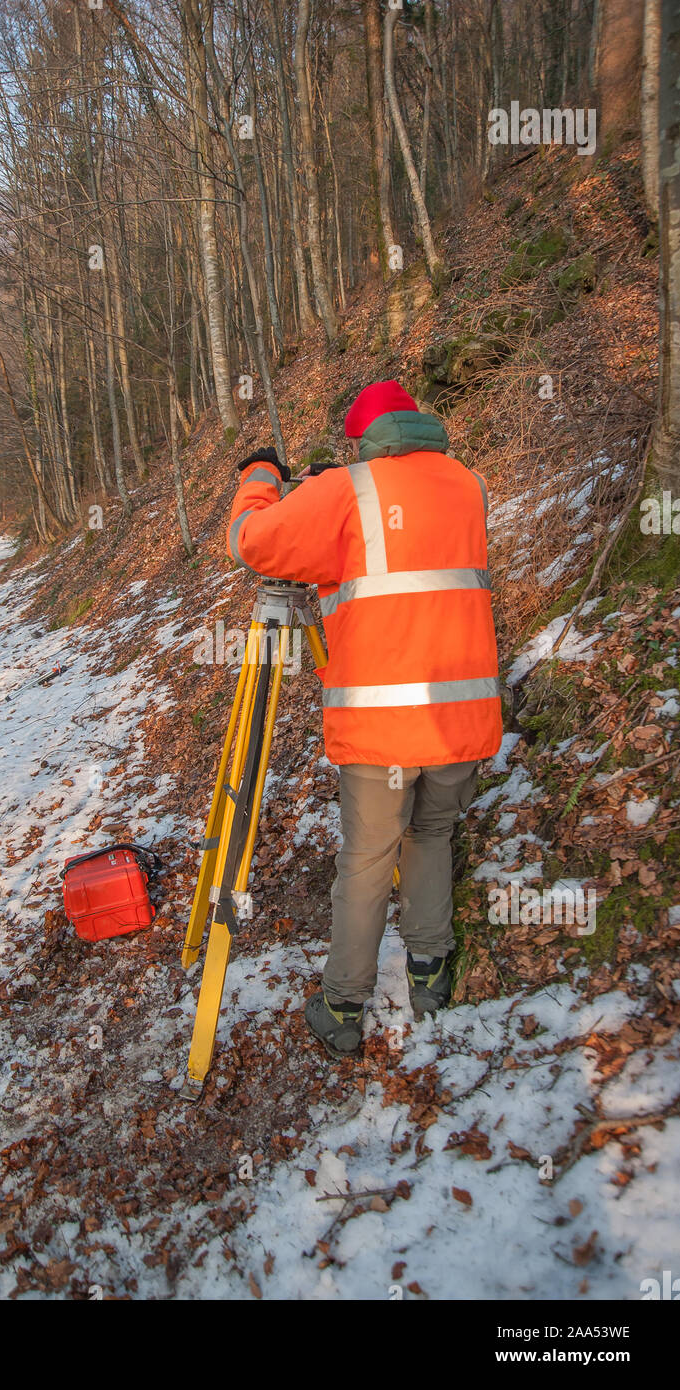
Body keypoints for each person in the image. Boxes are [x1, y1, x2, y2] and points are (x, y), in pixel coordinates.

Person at [227, 380, 502, 1057]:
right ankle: (429, 974)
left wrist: (261, 476)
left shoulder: (347, 489)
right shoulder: (468, 484)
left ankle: (344, 1004)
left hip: (383, 726)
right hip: (461, 718)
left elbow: (254, 543)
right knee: (430, 836)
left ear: (365, 440)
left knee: (366, 860)